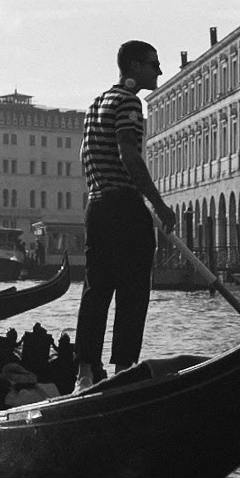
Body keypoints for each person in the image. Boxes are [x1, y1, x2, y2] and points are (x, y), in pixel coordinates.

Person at [75, 39, 178, 386]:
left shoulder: (96, 105)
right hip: (124, 207)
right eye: (153, 63)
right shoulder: (129, 103)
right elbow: (129, 155)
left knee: (96, 290)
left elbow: (86, 156)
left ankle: (85, 374)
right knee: (133, 293)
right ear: (135, 66)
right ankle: (123, 373)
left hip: (97, 207)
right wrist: (159, 205)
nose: (159, 70)